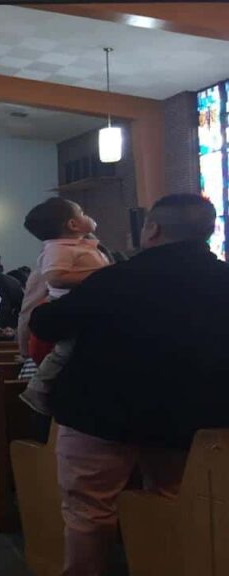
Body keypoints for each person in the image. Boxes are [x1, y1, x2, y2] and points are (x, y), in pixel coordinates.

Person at [29, 194, 229, 576]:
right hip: (193, 422)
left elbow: (49, 326)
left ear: (152, 230)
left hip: (101, 415)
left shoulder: (114, 279)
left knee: (88, 512)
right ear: (209, 231)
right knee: (171, 502)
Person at [19, 198, 111, 415]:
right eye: (82, 212)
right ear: (72, 225)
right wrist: (102, 276)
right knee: (66, 349)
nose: (88, 215)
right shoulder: (58, 248)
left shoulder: (82, 246)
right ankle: (37, 387)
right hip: (70, 308)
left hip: (91, 307)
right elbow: (56, 278)